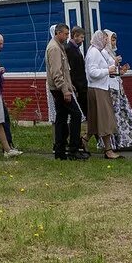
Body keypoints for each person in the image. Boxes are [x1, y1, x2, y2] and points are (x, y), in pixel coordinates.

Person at [82, 29, 121, 160]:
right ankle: (108, 150)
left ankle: (84, 139)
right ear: (99, 39)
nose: (106, 41)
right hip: (98, 89)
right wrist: (107, 70)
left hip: (100, 88)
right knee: (105, 120)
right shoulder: (94, 53)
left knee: (95, 120)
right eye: (104, 39)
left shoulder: (97, 52)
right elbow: (92, 73)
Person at [44, 24, 81, 161]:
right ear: (58, 33)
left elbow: (64, 70)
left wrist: (70, 85)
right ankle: (73, 149)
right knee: (76, 115)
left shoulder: (58, 46)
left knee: (61, 117)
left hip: (61, 87)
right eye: (65, 34)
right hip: (59, 89)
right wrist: (65, 90)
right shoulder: (54, 48)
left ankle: (60, 150)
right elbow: (57, 73)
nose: (67, 37)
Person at [106, 31, 132, 151]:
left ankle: (130, 139)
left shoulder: (112, 53)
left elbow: (115, 73)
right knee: (116, 115)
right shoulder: (105, 53)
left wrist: (122, 71)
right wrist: (115, 62)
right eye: (112, 40)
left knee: (125, 114)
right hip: (111, 89)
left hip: (118, 88)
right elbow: (105, 71)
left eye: (115, 39)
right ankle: (117, 142)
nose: (114, 42)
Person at [65, 26, 90, 158]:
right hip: (78, 87)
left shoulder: (75, 49)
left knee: (84, 115)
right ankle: (76, 143)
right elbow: (73, 71)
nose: (82, 40)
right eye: (81, 37)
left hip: (82, 85)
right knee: (78, 116)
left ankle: (81, 141)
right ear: (74, 36)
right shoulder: (70, 49)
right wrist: (76, 87)